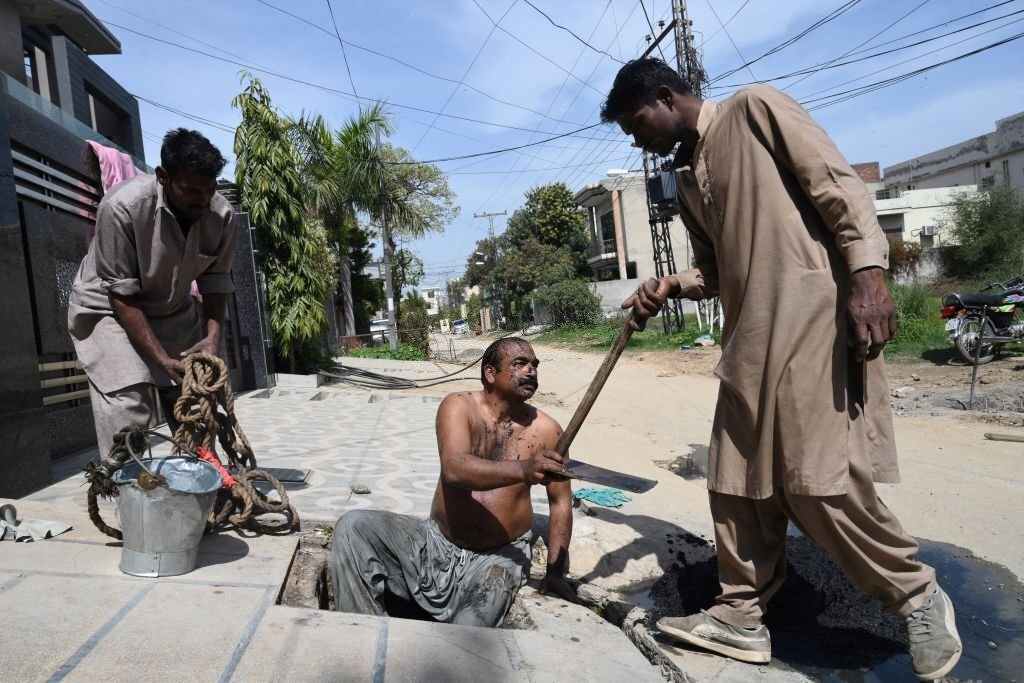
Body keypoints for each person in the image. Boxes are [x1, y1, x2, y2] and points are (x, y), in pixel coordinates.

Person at [602, 58, 961, 681]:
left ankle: (919, 596)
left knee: (818, 480)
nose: (638, 140)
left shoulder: (755, 107)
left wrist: (869, 279)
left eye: (638, 123)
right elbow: (718, 269)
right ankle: (739, 616)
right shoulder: (686, 179)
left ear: (665, 96)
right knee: (733, 479)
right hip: (749, 343)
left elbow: (838, 185)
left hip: (813, 325)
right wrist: (673, 283)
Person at [331, 337, 577, 627]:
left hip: (498, 559)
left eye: (534, 365)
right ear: (489, 373)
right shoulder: (458, 406)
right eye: (519, 364)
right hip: (436, 542)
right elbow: (454, 468)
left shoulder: (547, 431)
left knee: (466, 636)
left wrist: (555, 573)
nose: (531, 371)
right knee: (353, 527)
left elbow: (560, 502)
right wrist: (524, 469)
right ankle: (364, 636)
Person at [68, 129, 234, 455]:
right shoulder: (121, 207)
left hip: (171, 307)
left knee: (196, 400)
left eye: (209, 189)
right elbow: (121, 294)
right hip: (108, 307)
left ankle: (199, 490)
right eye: (190, 190)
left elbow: (216, 282)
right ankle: (127, 491)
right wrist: (159, 358)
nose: (202, 199)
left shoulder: (222, 215)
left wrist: (213, 338)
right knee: (128, 401)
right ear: (163, 177)